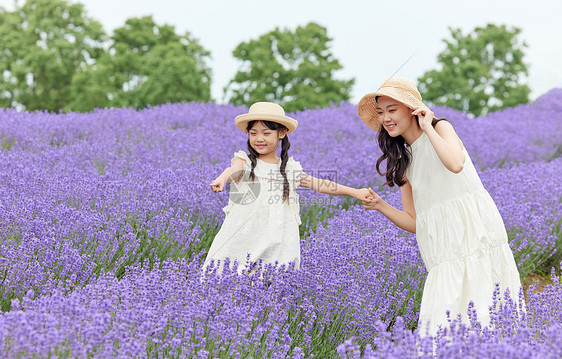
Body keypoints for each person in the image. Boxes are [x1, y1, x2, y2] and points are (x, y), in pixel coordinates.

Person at [357, 77, 522, 335]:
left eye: (392, 110)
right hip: (442, 249)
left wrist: (429, 128)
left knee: (490, 311)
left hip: (476, 233)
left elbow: (456, 164)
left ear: (412, 109)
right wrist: (380, 206)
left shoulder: (442, 128)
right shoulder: (403, 161)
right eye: (381, 113)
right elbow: (415, 222)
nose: (386, 118)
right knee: (442, 325)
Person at [204, 102, 371, 274]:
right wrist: (223, 178)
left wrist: (355, 192)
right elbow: (234, 171)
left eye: (266, 133)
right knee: (229, 272)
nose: (259, 139)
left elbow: (320, 184)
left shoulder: (289, 169)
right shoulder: (245, 162)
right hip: (244, 231)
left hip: (277, 235)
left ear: (282, 133)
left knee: (273, 279)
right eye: (253, 133)